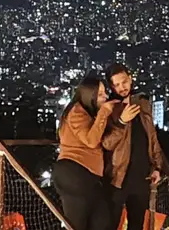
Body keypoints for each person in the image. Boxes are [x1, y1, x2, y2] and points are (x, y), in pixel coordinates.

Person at [53, 76, 139, 230]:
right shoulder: (76, 112)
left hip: (89, 176)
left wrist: (120, 121)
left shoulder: (89, 113)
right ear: (88, 95)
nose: (105, 96)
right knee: (78, 224)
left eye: (104, 92)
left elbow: (105, 140)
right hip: (74, 171)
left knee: (102, 222)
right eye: (100, 94)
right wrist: (104, 112)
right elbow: (91, 141)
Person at [102, 63, 165, 230]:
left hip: (143, 177)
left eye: (124, 82)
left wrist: (158, 167)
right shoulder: (109, 108)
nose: (122, 87)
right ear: (111, 86)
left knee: (137, 225)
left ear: (130, 79)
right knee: (110, 224)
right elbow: (106, 144)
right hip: (118, 177)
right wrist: (121, 122)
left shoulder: (143, 104)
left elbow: (152, 138)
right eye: (116, 84)